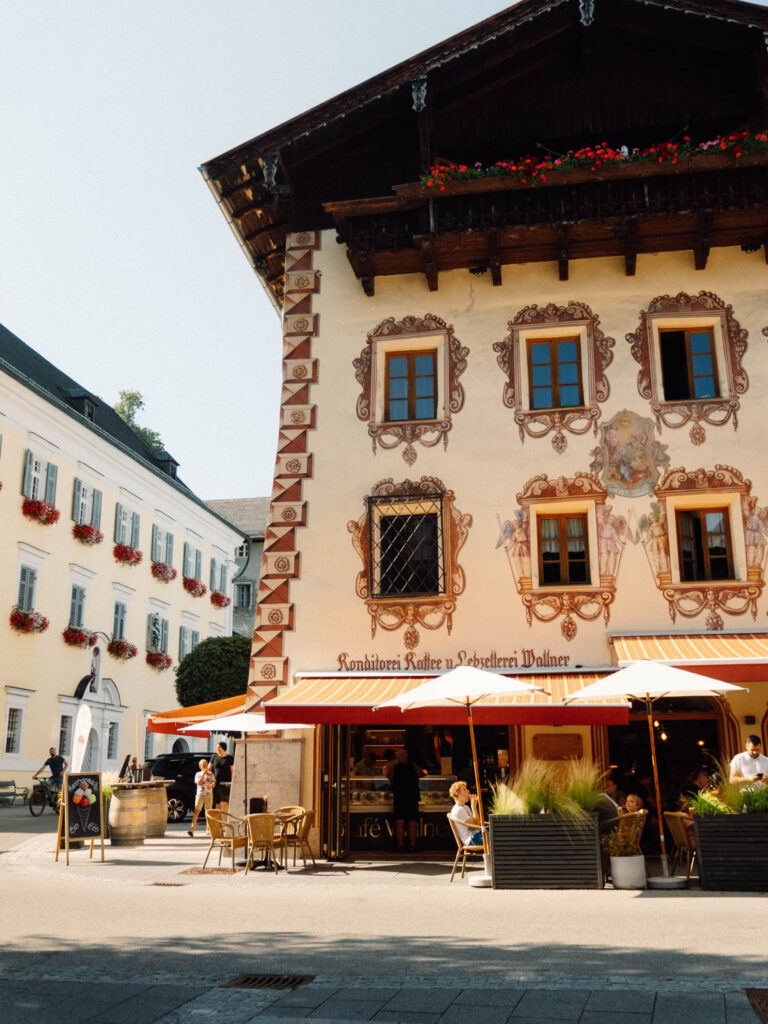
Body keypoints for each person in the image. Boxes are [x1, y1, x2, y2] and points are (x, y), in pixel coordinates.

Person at [390, 749, 425, 852]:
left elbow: (387, 775)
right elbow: (422, 774)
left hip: (399, 797)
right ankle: (412, 845)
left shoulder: (395, 767)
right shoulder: (413, 766)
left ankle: (400, 845)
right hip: (412, 797)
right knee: (412, 822)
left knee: (400, 821)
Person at [449, 780, 484, 847]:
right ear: (458, 793)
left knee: (497, 836)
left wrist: (473, 806)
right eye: (465, 790)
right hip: (471, 839)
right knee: (496, 838)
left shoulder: (466, 807)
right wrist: (473, 806)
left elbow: (477, 823)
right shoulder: (458, 810)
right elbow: (477, 824)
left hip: (477, 835)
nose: (468, 791)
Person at [188, 759, 214, 837]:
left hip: (208, 794)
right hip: (200, 794)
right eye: (203, 765)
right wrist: (204, 774)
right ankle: (192, 830)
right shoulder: (198, 774)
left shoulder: (211, 773)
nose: (205, 766)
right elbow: (198, 782)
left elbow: (213, 782)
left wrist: (211, 785)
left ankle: (208, 829)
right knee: (197, 811)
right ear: (200, 766)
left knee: (208, 812)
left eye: (206, 764)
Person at [210, 741, 234, 812]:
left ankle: (224, 821)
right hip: (216, 784)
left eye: (219, 747)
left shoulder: (229, 758)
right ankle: (218, 822)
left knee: (224, 803)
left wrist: (232, 783)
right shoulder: (214, 757)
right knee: (217, 803)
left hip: (226, 784)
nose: (217, 749)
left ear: (223, 748)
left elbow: (232, 771)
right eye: (217, 747)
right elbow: (209, 769)